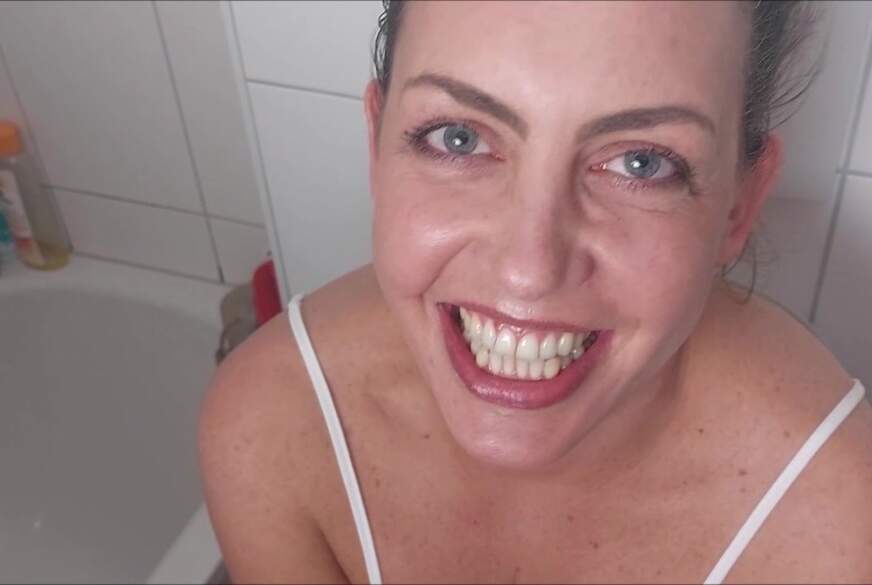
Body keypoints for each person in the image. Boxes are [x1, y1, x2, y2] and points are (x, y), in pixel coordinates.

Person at [199, 2, 872, 582]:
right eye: (459, 137)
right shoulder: (272, 429)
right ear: (376, 146)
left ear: (739, 205)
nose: (529, 269)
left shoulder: (837, 524)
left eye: (641, 162)